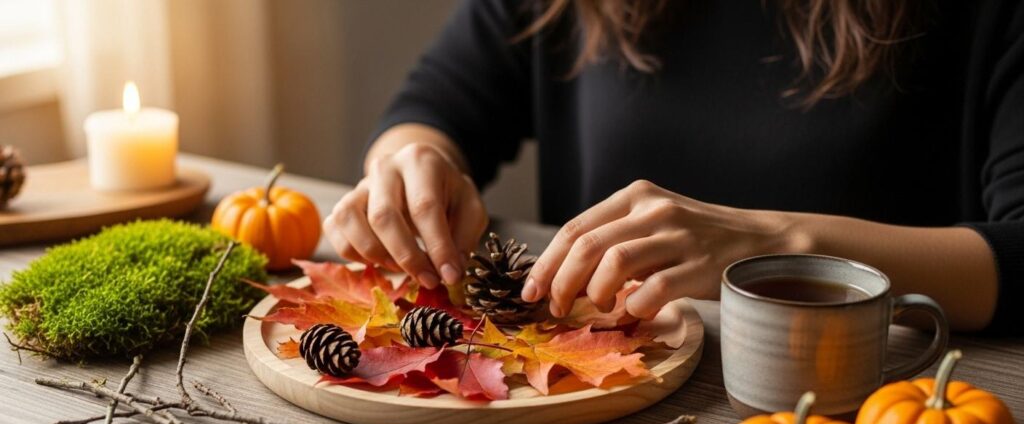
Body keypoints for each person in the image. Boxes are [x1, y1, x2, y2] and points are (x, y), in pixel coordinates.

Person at [324, 0, 1024, 334]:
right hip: (592, 411)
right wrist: (414, 161)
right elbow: (434, 108)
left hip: (869, 414)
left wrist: (781, 247)